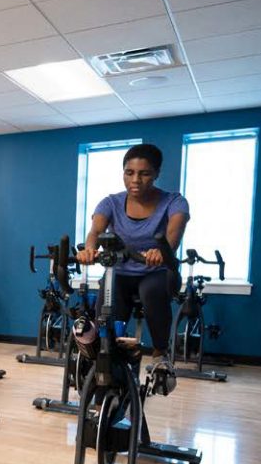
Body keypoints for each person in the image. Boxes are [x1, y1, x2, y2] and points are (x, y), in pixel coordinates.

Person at [77, 143, 189, 375]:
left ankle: (160, 353)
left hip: (157, 273)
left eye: (144, 173)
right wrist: (89, 249)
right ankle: (104, 360)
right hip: (121, 273)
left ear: (156, 174)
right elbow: (95, 232)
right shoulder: (111, 202)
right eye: (129, 173)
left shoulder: (174, 202)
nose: (135, 179)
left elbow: (173, 235)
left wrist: (162, 251)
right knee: (106, 304)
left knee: (151, 292)